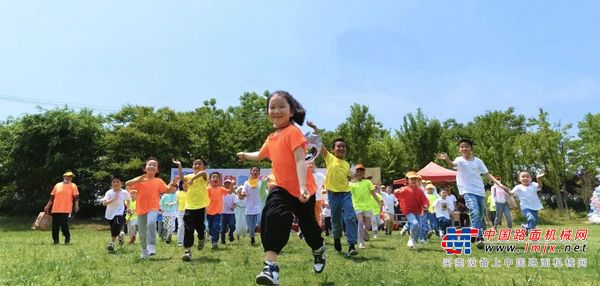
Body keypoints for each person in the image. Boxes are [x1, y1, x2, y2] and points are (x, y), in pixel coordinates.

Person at [237, 90, 326, 285]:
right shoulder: (271, 137)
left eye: (281, 107)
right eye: (272, 107)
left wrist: (303, 186)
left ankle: (319, 250)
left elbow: (301, 161)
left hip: (303, 190)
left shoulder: (293, 132)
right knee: (273, 216)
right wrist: (244, 154)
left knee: (309, 228)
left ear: (291, 111)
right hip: (279, 186)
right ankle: (271, 267)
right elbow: (260, 155)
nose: (276, 111)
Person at [438, 138, 509, 249]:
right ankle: (478, 237)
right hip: (467, 190)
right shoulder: (459, 160)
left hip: (479, 191)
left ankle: (473, 233)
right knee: (474, 211)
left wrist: (500, 184)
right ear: (459, 149)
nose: (464, 148)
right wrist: (447, 159)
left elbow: (487, 174)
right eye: (462, 147)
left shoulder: (478, 161)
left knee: (479, 215)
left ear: (471, 148)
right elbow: (452, 165)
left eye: (466, 146)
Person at [307, 121, 359, 256]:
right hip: (333, 194)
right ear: (333, 149)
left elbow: (347, 177)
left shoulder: (347, 164)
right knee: (335, 219)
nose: (341, 148)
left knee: (350, 217)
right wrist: (315, 129)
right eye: (338, 146)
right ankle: (336, 238)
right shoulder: (329, 158)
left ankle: (352, 245)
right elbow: (319, 144)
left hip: (346, 193)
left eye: (343, 147)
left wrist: (350, 177)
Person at [125, 158, 178, 259]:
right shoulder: (140, 179)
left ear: (157, 170)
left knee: (151, 223)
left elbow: (167, 190)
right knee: (142, 232)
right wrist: (138, 180)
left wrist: (174, 183)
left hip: (153, 207)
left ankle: (151, 245)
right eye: (150, 165)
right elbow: (127, 184)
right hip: (140, 209)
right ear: (145, 168)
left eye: (154, 165)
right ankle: (144, 250)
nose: (152, 166)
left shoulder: (158, 181)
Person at [175, 158, 209, 262]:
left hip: (200, 206)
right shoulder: (189, 176)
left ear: (204, 166)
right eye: (195, 164)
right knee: (188, 228)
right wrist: (180, 166)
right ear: (192, 166)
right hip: (189, 206)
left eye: (199, 164)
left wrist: (193, 179)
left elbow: (202, 173)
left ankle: (202, 237)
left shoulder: (204, 176)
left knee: (199, 227)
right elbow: (181, 178)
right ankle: (187, 251)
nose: (197, 165)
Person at [349, 164, 383, 249]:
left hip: (367, 207)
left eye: (361, 171)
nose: (359, 173)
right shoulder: (351, 184)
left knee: (367, 226)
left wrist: (379, 202)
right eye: (357, 171)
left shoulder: (368, 182)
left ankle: (363, 231)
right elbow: (347, 195)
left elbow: (373, 193)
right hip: (357, 206)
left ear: (364, 173)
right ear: (355, 173)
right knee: (360, 222)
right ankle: (361, 243)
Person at [395, 171, 429, 249]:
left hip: (417, 211)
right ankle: (411, 239)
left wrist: (425, 205)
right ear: (407, 180)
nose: (413, 181)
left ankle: (412, 237)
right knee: (415, 223)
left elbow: (424, 200)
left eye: (415, 179)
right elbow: (397, 194)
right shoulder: (405, 189)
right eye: (411, 179)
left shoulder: (420, 191)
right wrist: (397, 192)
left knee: (419, 226)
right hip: (408, 211)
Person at [44, 171, 79, 245]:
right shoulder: (57, 185)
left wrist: (76, 205)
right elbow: (52, 197)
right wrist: (47, 206)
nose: (69, 178)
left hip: (66, 209)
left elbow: (76, 197)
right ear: (64, 177)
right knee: (55, 226)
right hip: (55, 209)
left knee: (63, 225)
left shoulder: (73, 186)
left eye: (71, 177)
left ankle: (67, 236)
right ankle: (55, 241)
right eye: (68, 176)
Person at [100, 176, 130, 252]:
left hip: (120, 212)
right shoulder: (109, 192)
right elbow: (104, 203)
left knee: (116, 225)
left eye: (117, 182)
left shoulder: (124, 192)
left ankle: (112, 243)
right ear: (111, 184)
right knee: (114, 228)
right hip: (110, 214)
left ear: (121, 184)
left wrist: (128, 208)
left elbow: (128, 200)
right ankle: (120, 236)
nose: (115, 183)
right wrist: (113, 199)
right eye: (114, 182)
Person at [206, 172, 231, 249]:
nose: (215, 178)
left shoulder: (221, 189)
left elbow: (229, 191)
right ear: (210, 180)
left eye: (217, 177)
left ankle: (214, 242)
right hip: (209, 212)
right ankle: (211, 234)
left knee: (216, 225)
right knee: (210, 227)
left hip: (218, 212)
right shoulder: (208, 189)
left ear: (219, 180)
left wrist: (232, 184)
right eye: (213, 177)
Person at [241, 167, 263, 246]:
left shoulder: (261, 182)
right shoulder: (246, 183)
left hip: (259, 207)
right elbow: (243, 191)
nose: (255, 172)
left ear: (259, 173)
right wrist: (243, 193)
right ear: (250, 172)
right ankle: (252, 238)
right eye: (254, 170)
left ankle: (263, 239)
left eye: (257, 171)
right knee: (251, 227)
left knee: (261, 223)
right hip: (249, 208)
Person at [221, 179, 239, 244]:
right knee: (222, 228)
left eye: (229, 183)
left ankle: (230, 234)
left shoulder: (233, 195)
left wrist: (233, 207)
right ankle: (222, 239)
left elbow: (235, 204)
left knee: (232, 226)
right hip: (223, 213)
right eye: (226, 183)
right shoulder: (222, 194)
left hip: (231, 214)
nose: (227, 185)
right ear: (224, 185)